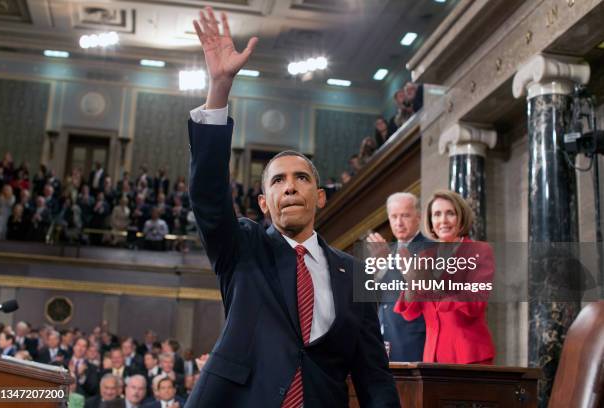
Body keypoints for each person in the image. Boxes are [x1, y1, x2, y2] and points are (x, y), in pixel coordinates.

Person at [185, 7, 399, 408]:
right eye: (278, 181)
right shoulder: (243, 249)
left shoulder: (354, 275)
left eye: (302, 178)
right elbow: (209, 198)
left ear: (319, 196)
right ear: (264, 204)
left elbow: (374, 375)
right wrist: (219, 89)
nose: (290, 187)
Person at [394, 189, 495, 364]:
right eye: (437, 214)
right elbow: (410, 312)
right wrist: (411, 282)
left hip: (469, 354)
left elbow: (476, 302)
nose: (443, 220)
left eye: (450, 213)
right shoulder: (425, 257)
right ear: (431, 222)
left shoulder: (479, 251)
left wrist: (432, 288)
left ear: (461, 217)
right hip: (432, 358)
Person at [367, 192, 431, 362]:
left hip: (413, 340)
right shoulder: (386, 250)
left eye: (405, 216)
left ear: (418, 216)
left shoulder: (431, 248)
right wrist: (374, 272)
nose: (399, 223)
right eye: (394, 216)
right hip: (384, 339)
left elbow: (422, 294)